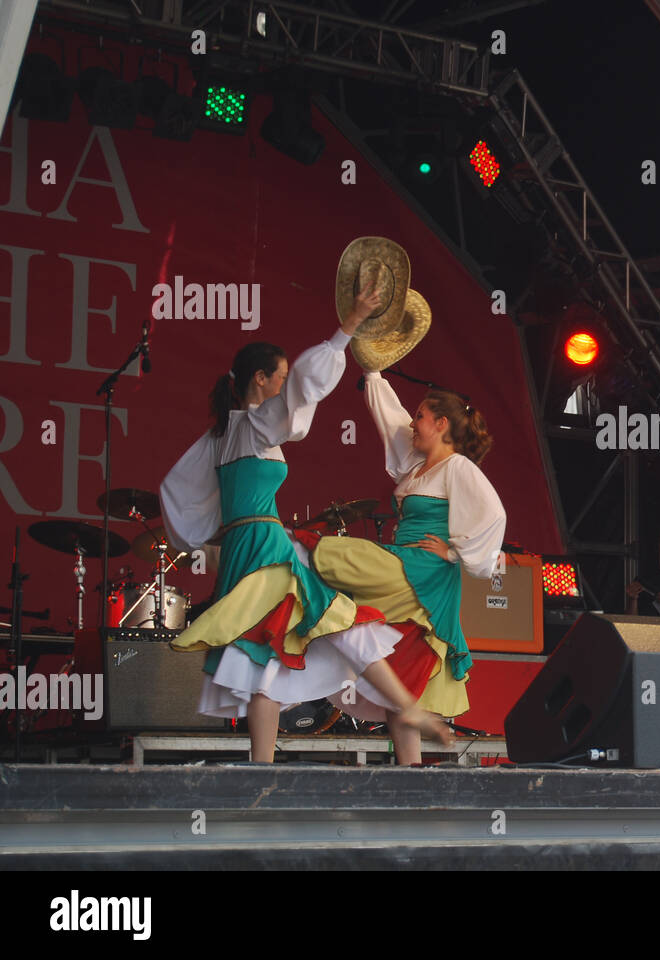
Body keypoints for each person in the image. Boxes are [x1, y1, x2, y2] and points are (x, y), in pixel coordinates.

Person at [161, 283, 452, 762]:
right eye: (276, 379)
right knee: (339, 619)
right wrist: (348, 327)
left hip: (245, 549)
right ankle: (406, 706)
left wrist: (214, 532)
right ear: (259, 379)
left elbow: (176, 490)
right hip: (266, 549)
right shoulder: (250, 426)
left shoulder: (223, 432)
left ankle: (261, 767)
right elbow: (300, 392)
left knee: (265, 653)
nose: (283, 386)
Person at [309, 371, 506, 765]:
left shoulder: (457, 468)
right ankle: (410, 772)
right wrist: (373, 375)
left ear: (441, 424)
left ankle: (294, 550)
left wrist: (454, 553)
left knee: (340, 555)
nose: (412, 423)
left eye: (420, 416)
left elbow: (493, 514)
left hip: (425, 574)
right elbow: (392, 420)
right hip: (408, 566)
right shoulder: (417, 466)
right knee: (401, 681)